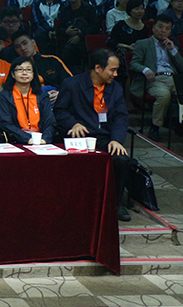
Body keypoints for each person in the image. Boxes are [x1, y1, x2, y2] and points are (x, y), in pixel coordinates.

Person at [54, 49, 132, 221]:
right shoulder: (72, 84)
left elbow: (121, 117)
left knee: (121, 159)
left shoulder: (116, 88)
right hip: (79, 137)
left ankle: (116, 204)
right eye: (112, 70)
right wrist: (73, 123)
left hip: (104, 137)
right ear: (98, 68)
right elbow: (59, 111)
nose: (115, 74)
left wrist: (117, 140)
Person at [129, 14, 183, 140]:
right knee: (164, 95)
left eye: (167, 28)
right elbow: (134, 63)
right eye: (160, 27)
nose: (163, 31)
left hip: (174, 79)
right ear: (153, 28)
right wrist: (145, 69)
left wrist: (172, 50)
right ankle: (155, 127)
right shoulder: (143, 44)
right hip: (155, 79)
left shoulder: (172, 46)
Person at [0, 56, 56, 145]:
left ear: (34, 74)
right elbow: (4, 123)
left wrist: (45, 139)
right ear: (13, 74)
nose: (24, 73)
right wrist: (27, 139)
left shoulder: (42, 95)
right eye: (20, 69)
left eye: (28, 70)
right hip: (16, 140)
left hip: (41, 140)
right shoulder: (5, 96)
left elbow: (50, 122)